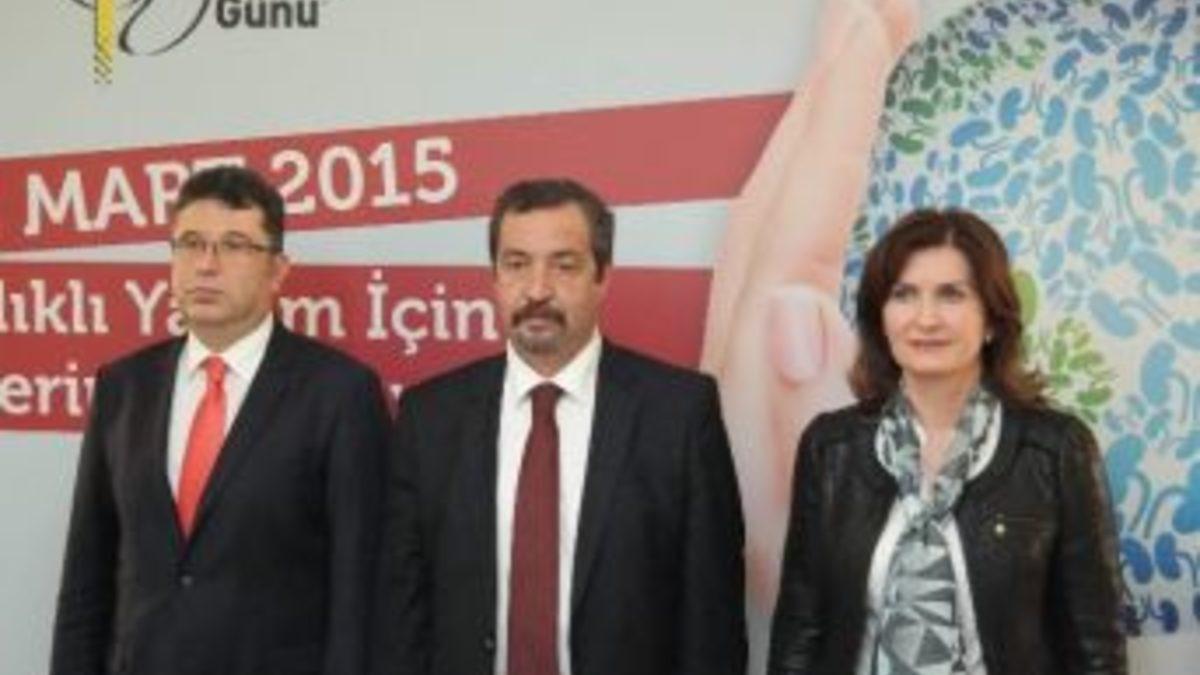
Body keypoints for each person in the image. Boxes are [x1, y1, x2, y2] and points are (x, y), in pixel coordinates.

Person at [372, 178, 746, 675]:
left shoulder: (678, 414)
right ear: (494, 277)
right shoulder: (430, 416)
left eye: (563, 265)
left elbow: (712, 623)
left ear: (603, 276)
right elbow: (401, 612)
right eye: (516, 264)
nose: (537, 289)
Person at [51, 166, 390, 675]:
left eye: (234, 246)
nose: (206, 265)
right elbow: (87, 577)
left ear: (278, 270)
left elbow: (358, 592)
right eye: (191, 244)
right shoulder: (124, 387)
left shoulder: (340, 392)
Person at [768, 209, 1127, 674]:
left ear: (992, 319)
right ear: (880, 318)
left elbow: (1094, 647)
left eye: (951, 295)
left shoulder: (1056, 449)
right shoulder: (831, 448)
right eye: (904, 295)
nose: (926, 318)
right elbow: (801, 629)